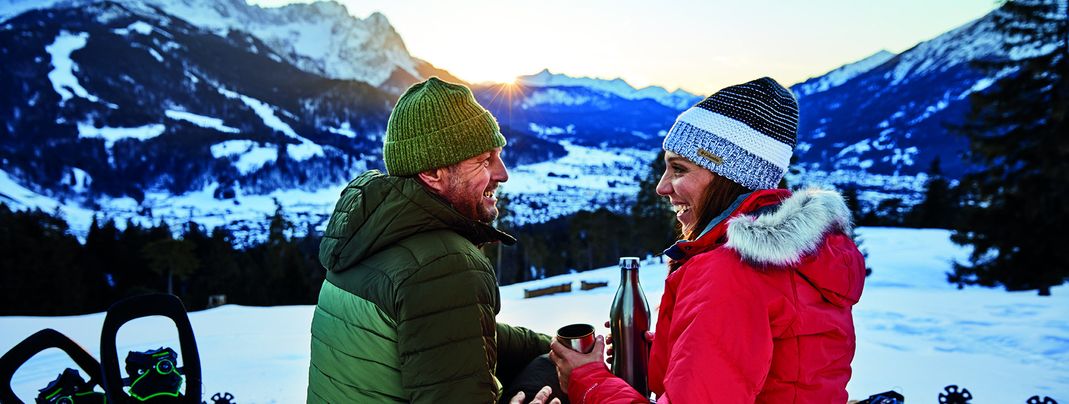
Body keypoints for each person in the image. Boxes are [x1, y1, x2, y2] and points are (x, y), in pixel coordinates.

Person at [549, 77, 866, 403]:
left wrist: (587, 379)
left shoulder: (730, 272)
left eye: (679, 169)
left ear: (729, 177)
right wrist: (671, 346)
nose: (662, 186)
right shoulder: (801, 256)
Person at [308, 77, 559, 403]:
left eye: (498, 155)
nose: (502, 173)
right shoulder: (444, 262)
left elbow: (448, 334)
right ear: (432, 173)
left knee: (550, 362)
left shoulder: (370, 234)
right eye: (484, 160)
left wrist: (554, 347)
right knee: (555, 379)